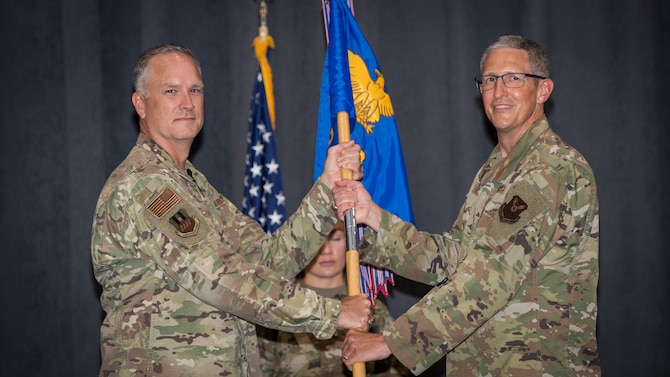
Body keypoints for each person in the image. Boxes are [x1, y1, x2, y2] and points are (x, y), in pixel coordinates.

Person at [90, 44, 373, 377]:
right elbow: (222, 279)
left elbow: (267, 261)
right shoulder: (145, 185)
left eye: (195, 90)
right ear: (140, 103)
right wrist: (332, 313)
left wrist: (327, 188)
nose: (187, 102)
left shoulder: (190, 184)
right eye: (171, 91)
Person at [333, 35, 600, 376]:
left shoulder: (550, 168)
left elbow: (487, 278)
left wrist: (391, 342)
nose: (499, 91)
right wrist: (373, 217)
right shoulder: (497, 169)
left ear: (543, 90)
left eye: (513, 78)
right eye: (489, 80)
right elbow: (454, 259)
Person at [257, 221, 410, 376]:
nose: (327, 250)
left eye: (335, 239)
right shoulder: (279, 303)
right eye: (318, 240)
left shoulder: (369, 307)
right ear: (302, 245)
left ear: (349, 243)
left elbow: (396, 367)